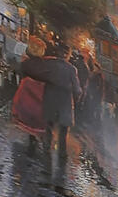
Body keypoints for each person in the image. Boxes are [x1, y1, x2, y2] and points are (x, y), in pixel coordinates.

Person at [14, 32, 81, 181]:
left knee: (48, 130)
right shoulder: (71, 69)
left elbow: (38, 75)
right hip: (64, 105)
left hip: (50, 102)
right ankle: (62, 160)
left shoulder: (49, 63)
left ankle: (47, 158)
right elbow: (77, 90)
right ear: (68, 55)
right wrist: (75, 99)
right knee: (63, 133)